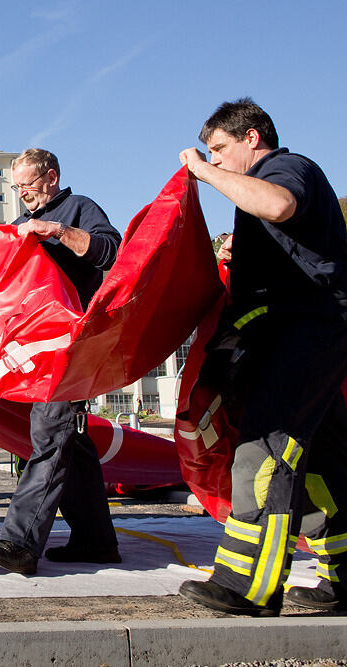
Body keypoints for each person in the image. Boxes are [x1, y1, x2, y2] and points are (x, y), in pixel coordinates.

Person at [177, 99, 347, 616]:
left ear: (252, 138)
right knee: (323, 462)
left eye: (220, 149)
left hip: (305, 332)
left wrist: (203, 173)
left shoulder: (285, 168)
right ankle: (344, 575)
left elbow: (278, 206)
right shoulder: (270, 178)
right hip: (307, 332)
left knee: (263, 453)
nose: (216, 159)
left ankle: (248, 583)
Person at [0, 148, 122, 575]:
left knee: (51, 434)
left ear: (51, 177)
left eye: (28, 185)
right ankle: (96, 541)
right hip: (35, 353)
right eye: (16, 188)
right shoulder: (20, 224)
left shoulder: (80, 208)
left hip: (70, 348)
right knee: (71, 443)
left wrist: (57, 231)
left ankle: (19, 543)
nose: (22, 195)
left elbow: (112, 251)